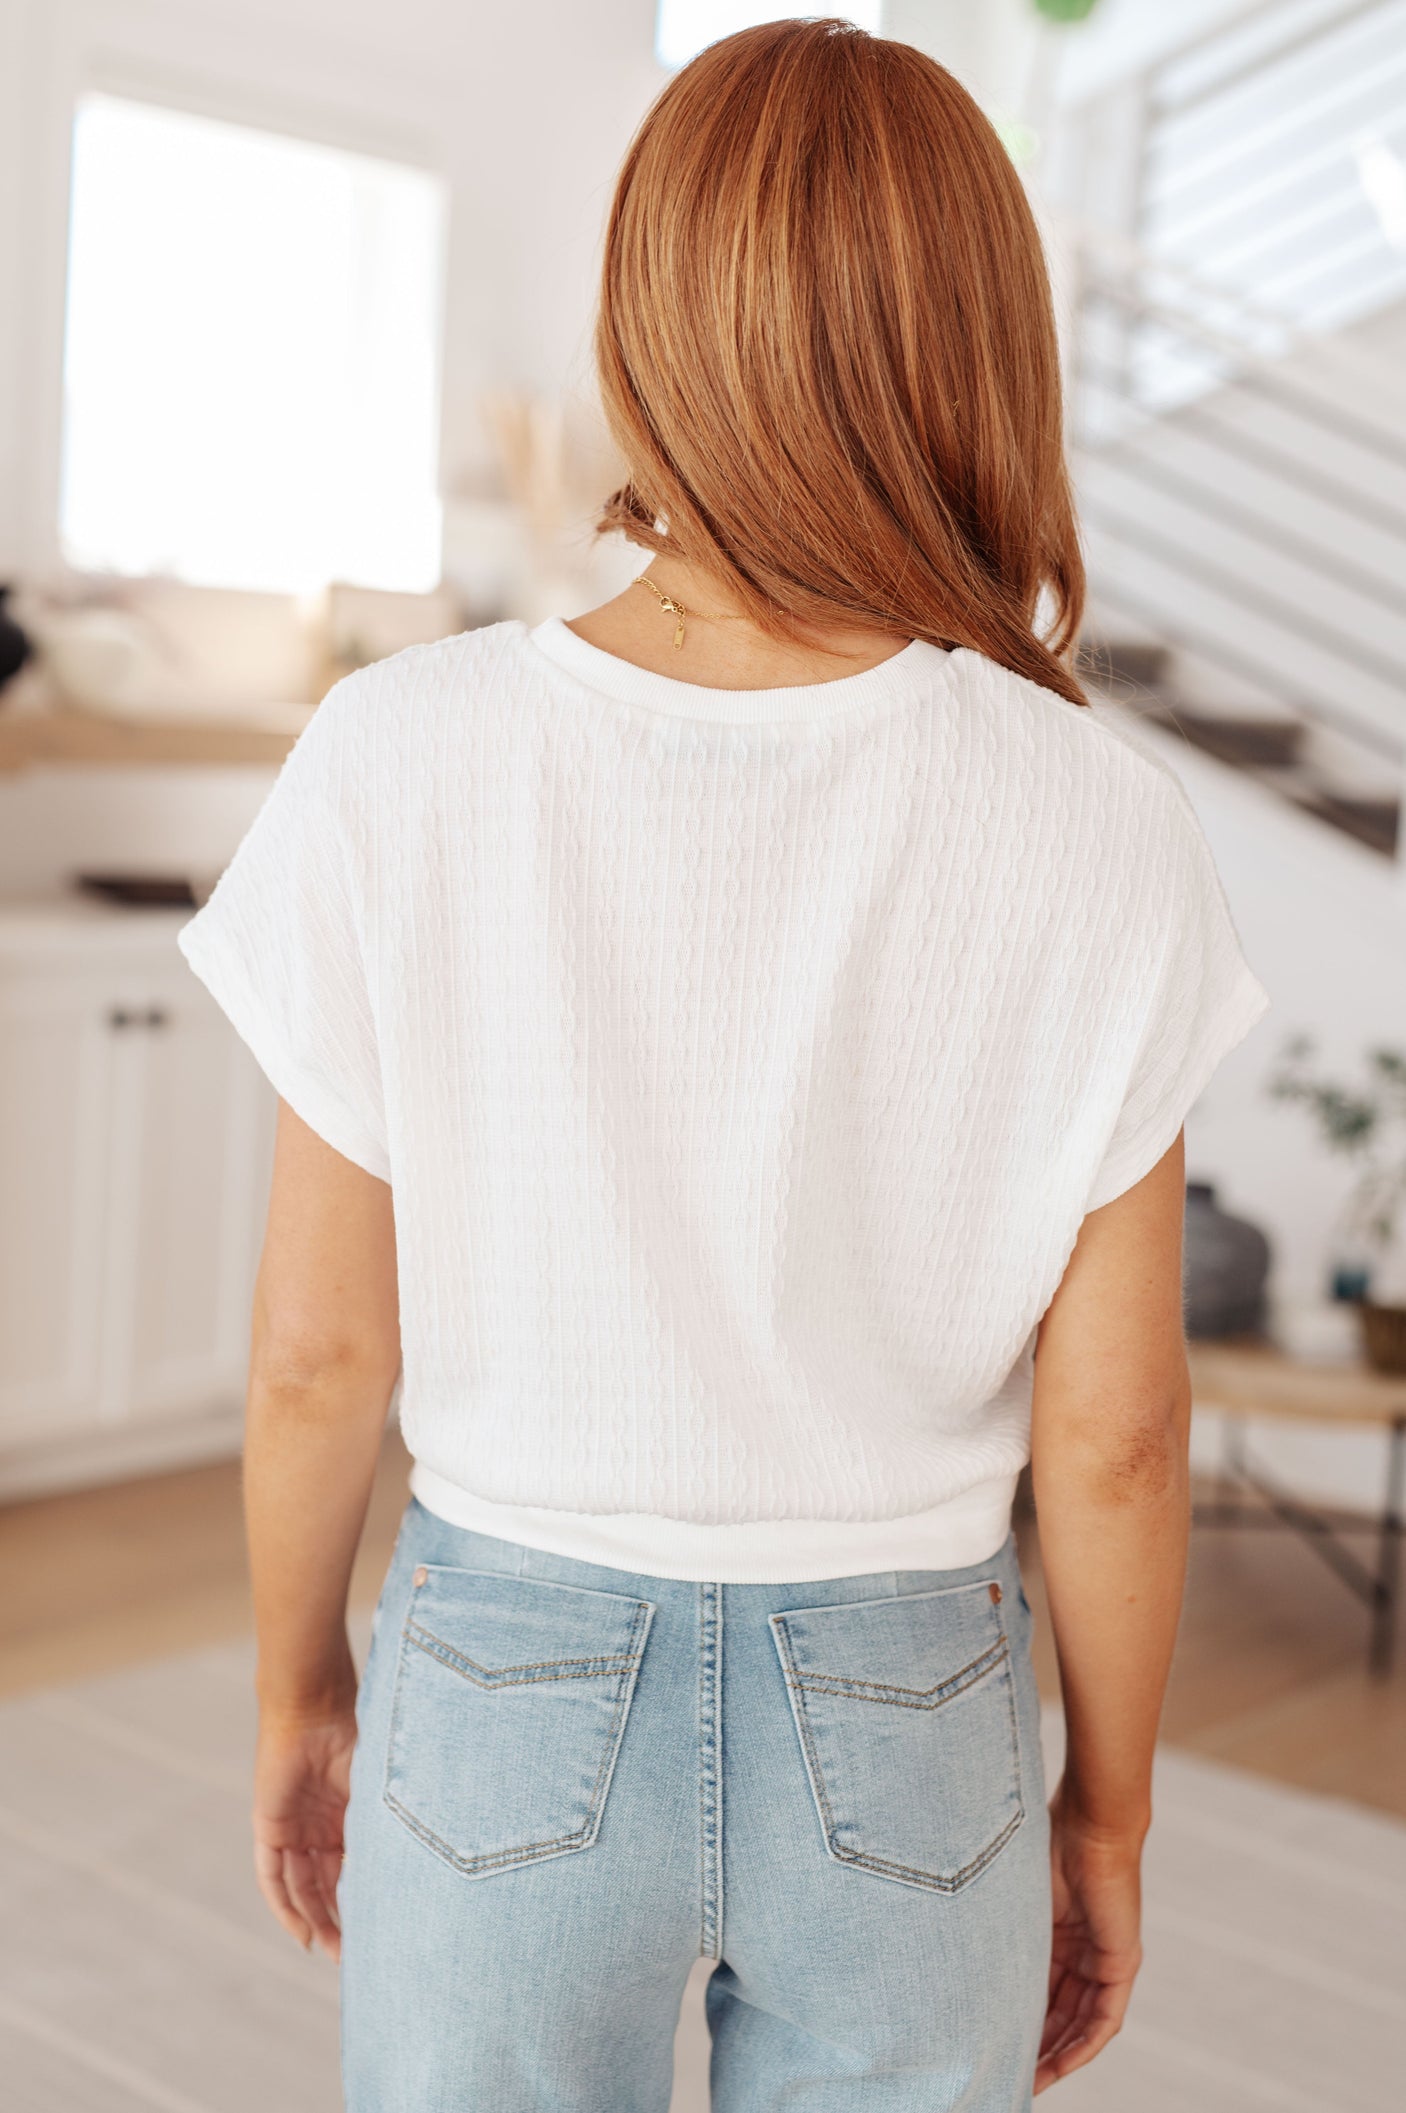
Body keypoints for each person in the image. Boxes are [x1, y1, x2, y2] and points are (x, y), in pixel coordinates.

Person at [177, 19, 1270, 2111]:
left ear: (647, 323)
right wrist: (1103, 1810)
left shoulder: (400, 757)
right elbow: (1118, 1437)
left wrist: (298, 1670)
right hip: (916, 1703)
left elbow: (320, 1353)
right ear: (978, 352)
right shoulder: (1097, 816)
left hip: (498, 1673)